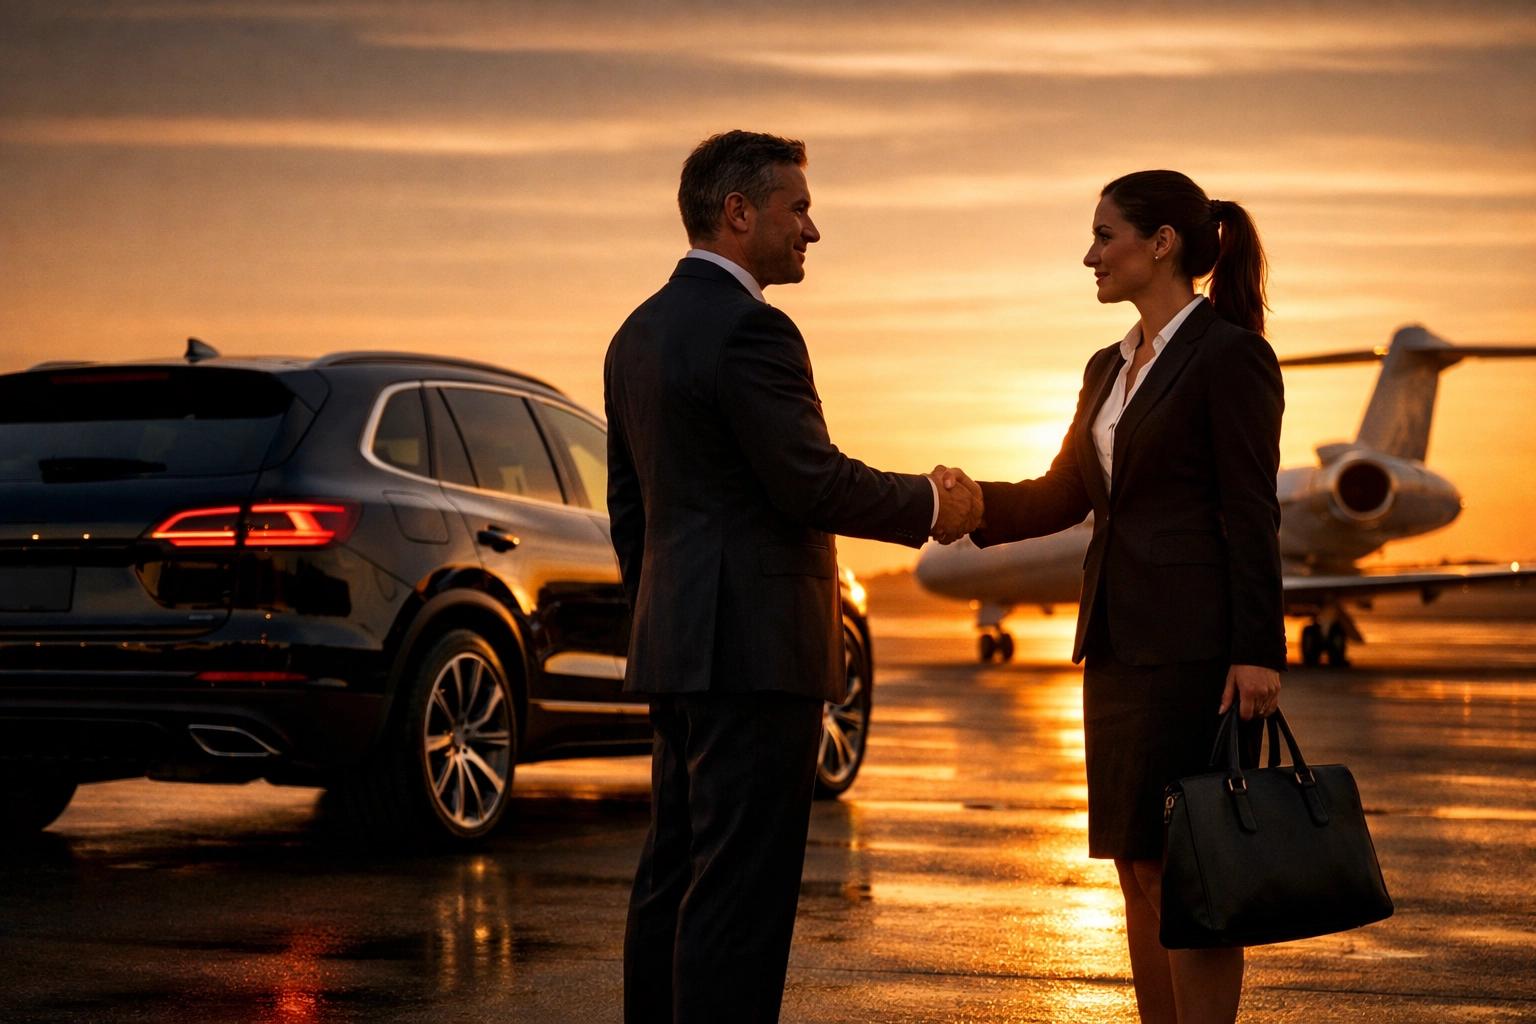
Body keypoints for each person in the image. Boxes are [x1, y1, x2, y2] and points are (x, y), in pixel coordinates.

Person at [606, 130, 983, 1024]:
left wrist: (664, 617)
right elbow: (811, 480)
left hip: (678, 647)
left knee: (673, 873)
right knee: (741, 896)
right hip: (757, 653)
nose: (812, 229)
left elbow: (632, 510)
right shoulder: (753, 329)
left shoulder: (637, 331)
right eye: (799, 208)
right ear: (738, 212)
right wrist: (934, 503)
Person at [967, 170, 1286, 1024]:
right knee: (1133, 866)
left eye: (1104, 236)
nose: (1090, 256)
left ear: (1162, 243)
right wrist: (962, 505)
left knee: (1190, 869)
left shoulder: (1230, 355)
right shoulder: (1106, 366)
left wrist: (1258, 650)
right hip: (1113, 647)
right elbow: (1063, 492)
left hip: (1195, 655)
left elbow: (1251, 510)